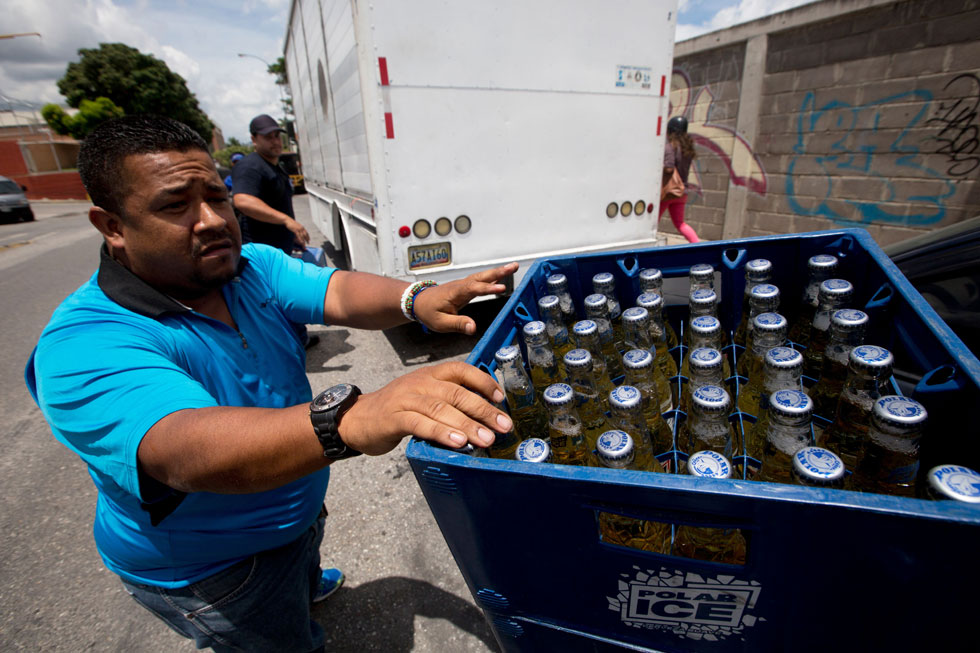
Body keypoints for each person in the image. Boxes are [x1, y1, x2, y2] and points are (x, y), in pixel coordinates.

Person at [25, 115, 518, 653]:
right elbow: (186, 451)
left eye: (218, 196)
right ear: (112, 225)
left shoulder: (248, 267)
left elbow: (337, 290)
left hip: (293, 504)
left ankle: (303, 580)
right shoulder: (84, 343)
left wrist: (415, 300)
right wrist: (351, 419)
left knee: (302, 562)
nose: (212, 220)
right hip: (218, 570)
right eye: (175, 206)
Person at [659, 115, 700, 244]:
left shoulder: (670, 147)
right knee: (680, 224)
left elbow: (669, 168)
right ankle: (698, 245)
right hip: (682, 192)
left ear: (670, 131)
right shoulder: (686, 149)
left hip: (669, 193)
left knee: (652, 223)